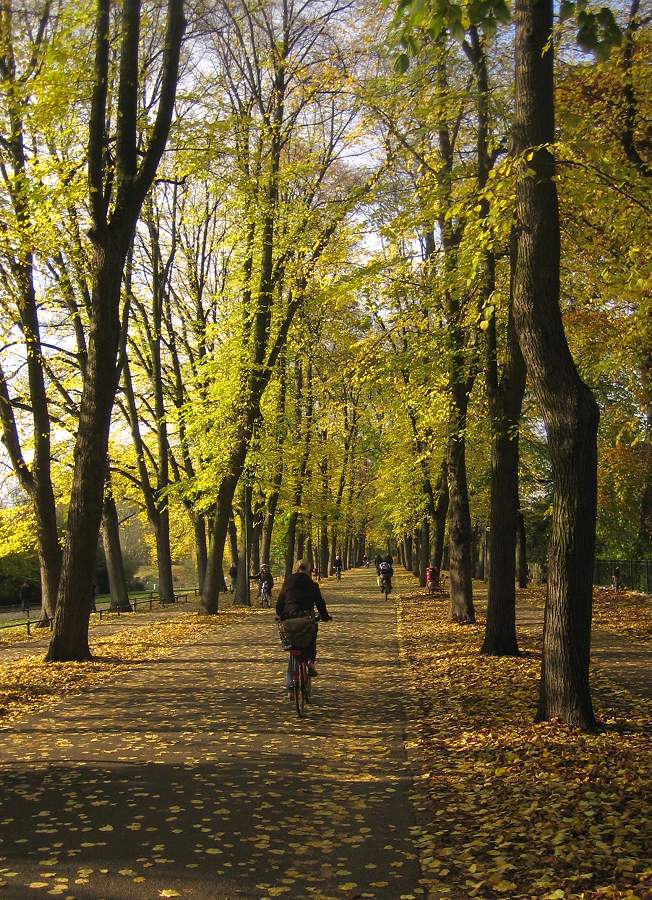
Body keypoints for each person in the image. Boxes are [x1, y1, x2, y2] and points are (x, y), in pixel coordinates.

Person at [276, 560, 331, 690]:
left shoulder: (288, 582)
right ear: (309, 570)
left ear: (296, 568)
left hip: (288, 619)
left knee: (292, 648)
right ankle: (310, 662)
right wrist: (325, 617)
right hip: (305, 618)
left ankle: (290, 687)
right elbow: (320, 604)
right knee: (311, 637)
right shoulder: (312, 585)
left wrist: (280, 614)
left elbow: (280, 601)